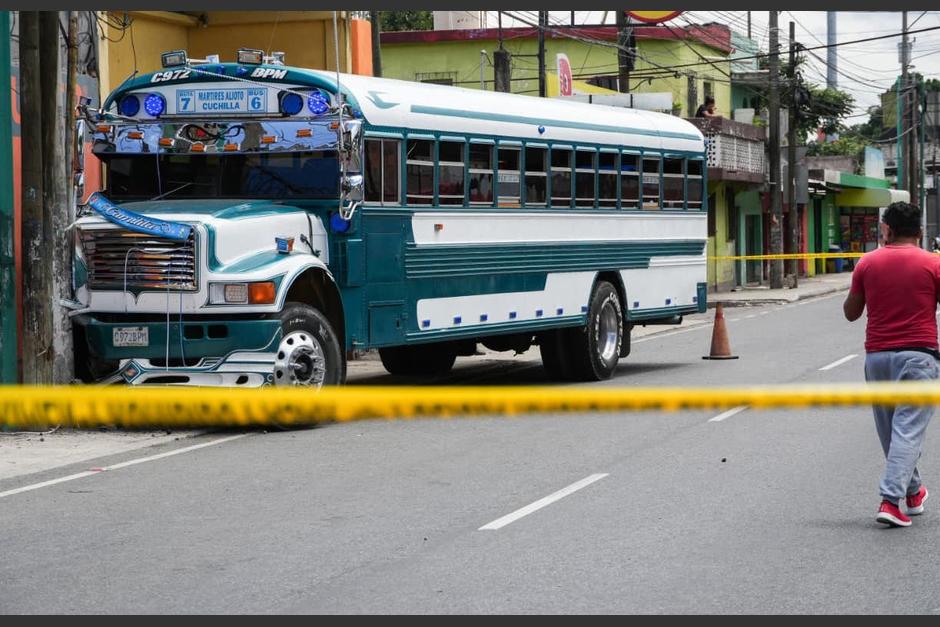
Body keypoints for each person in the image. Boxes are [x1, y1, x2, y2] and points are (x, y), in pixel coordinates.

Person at [843, 201, 940, 527]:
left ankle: (913, 493)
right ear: (920, 231)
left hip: (878, 359)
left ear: (888, 228)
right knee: (907, 432)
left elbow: (851, 312)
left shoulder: (867, 263)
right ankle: (890, 500)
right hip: (919, 358)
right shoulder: (933, 264)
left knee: (894, 434)